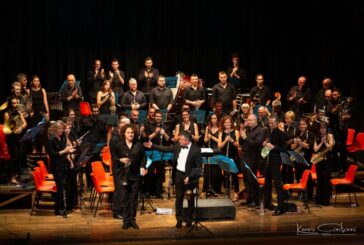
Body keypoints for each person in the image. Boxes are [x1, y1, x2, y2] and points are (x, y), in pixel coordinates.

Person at [144, 130, 202, 229]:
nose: (179, 141)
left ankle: (189, 221)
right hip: (178, 175)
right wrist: (152, 146)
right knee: (179, 199)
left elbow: (198, 167)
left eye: (181, 139)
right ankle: (179, 220)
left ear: (187, 141)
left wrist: (190, 177)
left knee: (190, 199)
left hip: (189, 177)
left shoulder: (196, 150)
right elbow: (165, 149)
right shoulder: (177, 146)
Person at [110, 125, 147, 229]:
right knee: (124, 199)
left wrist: (143, 166)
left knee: (133, 199)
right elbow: (114, 157)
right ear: (124, 134)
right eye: (128, 132)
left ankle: (132, 220)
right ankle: (125, 221)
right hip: (123, 176)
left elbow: (144, 157)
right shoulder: (119, 145)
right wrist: (120, 160)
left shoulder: (138, 145)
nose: (130, 134)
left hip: (135, 176)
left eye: (132, 133)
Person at [46, 120, 76, 216]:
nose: (61, 130)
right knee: (60, 188)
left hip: (63, 166)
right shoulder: (50, 140)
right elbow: (53, 154)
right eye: (59, 129)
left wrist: (69, 151)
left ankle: (63, 207)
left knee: (65, 187)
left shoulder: (63, 137)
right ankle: (58, 209)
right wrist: (64, 151)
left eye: (62, 129)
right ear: (54, 129)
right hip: (56, 167)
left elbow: (65, 149)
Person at [263, 116, 287, 215]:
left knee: (277, 184)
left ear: (277, 123)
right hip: (268, 159)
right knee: (267, 183)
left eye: (272, 123)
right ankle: (267, 203)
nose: (270, 124)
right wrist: (264, 143)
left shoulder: (281, 134)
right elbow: (266, 142)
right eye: (270, 123)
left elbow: (284, 148)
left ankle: (280, 207)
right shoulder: (268, 131)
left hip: (276, 161)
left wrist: (273, 146)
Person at [239, 114, 265, 208]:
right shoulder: (247, 129)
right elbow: (241, 142)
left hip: (253, 157)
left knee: (252, 179)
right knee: (246, 179)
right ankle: (249, 199)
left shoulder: (260, 130)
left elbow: (256, 144)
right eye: (247, 120)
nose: (248, 121)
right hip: (245, 156)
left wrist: (245, 137)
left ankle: (255, 200)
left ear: (255, 121)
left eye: (250, 120)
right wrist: (241, 135)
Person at [4, 96, 27, 185]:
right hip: (11, 138)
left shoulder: (18, 112)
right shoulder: (7, 114)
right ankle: (11, 177)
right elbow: (6, 128)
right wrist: (14, 130)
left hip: (19, 137)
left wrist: (20, 127)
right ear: (10, 104)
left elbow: (25, 123)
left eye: (16, 103)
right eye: (13, 103)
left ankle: (16, 175)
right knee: (13, 157)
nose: (15, 105)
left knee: (18, 157)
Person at [218, 116, 241, 200]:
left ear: (231, 123)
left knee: (234, 175)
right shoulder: (221, 133)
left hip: (234, 157)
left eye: (229, 122)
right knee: (225, 175)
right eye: (225, 123)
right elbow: (219, 146)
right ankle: (227, 192)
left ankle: (236, 193)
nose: (227, 124)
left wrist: (231, 140)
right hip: (225, 156)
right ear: (223, 124)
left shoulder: (236, 132)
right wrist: (225, 140)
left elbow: (238, 145)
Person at [313, 122, 335, 206]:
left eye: (324, 128)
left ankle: (326, 201)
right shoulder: (317, 137)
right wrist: (321, 142)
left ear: (326, 128)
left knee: (326, 180)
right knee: (319, 180)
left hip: (328, 161)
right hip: (319, 161)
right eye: (321, 128)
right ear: (319, 129)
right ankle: (318, 200)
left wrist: (325, 142)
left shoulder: (330, 136)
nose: (323, 129)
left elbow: (330, 148)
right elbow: (315, 149)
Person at [203, 113, 222, 194]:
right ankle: (207, 189)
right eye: (212, 118)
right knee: (208, 171)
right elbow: (205, 140)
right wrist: (207, 139)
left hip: (217, 150)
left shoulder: (220, 128)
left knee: (216, 171)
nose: (213, 120)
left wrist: (212, 137)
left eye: (215, 118)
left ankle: (216, 189)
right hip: (209, 151)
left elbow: (220, 141)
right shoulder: (208, 127)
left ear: (217, 119)